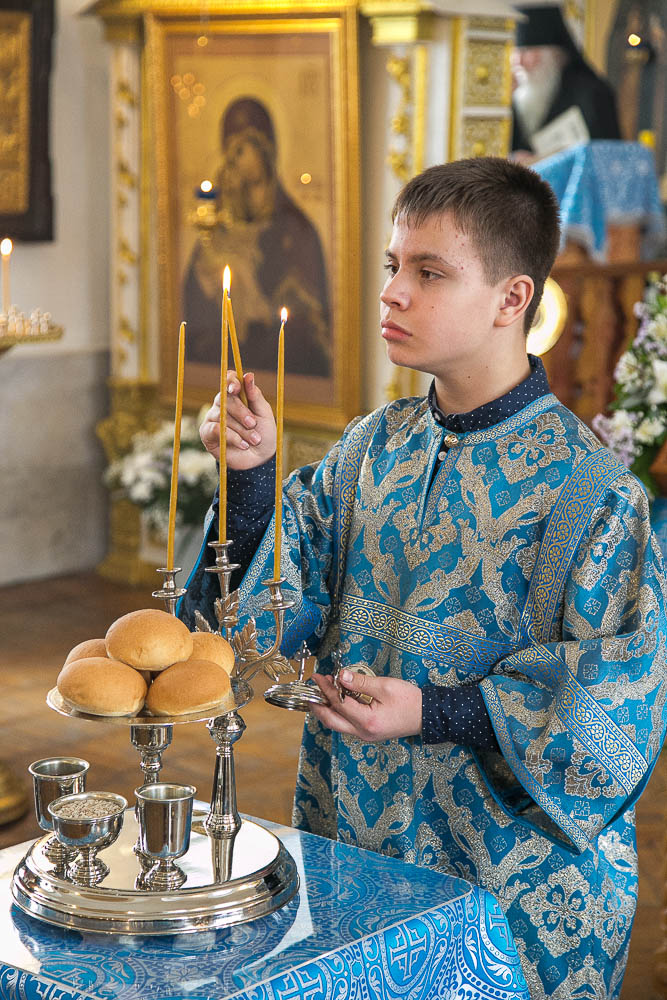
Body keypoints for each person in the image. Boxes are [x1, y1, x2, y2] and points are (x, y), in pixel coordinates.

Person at [179, 157, 667, 998]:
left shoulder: (594, 495)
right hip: (355, 847)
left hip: (511, 891)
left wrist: (433, 711)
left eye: (429, 273)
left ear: (512, 299)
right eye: (392, 266)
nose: (392, 293)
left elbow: (614, 715)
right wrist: (252, 475)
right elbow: (266, 610)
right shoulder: (371, 446)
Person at [184, 96, 331, 378]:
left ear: (263, 150)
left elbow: (310, 315)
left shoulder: (296, 229)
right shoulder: (219, 225)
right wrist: (205, 281)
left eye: (241, 150)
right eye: (230, 152)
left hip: (283, 361)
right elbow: (192, 305)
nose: (233, 160)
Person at [512, 4, 621, 154]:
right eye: (516, 52)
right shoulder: (514, 96)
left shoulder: (593, 94)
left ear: (553, 56)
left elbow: (605, 155)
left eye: (527, 51)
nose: (519, 62)